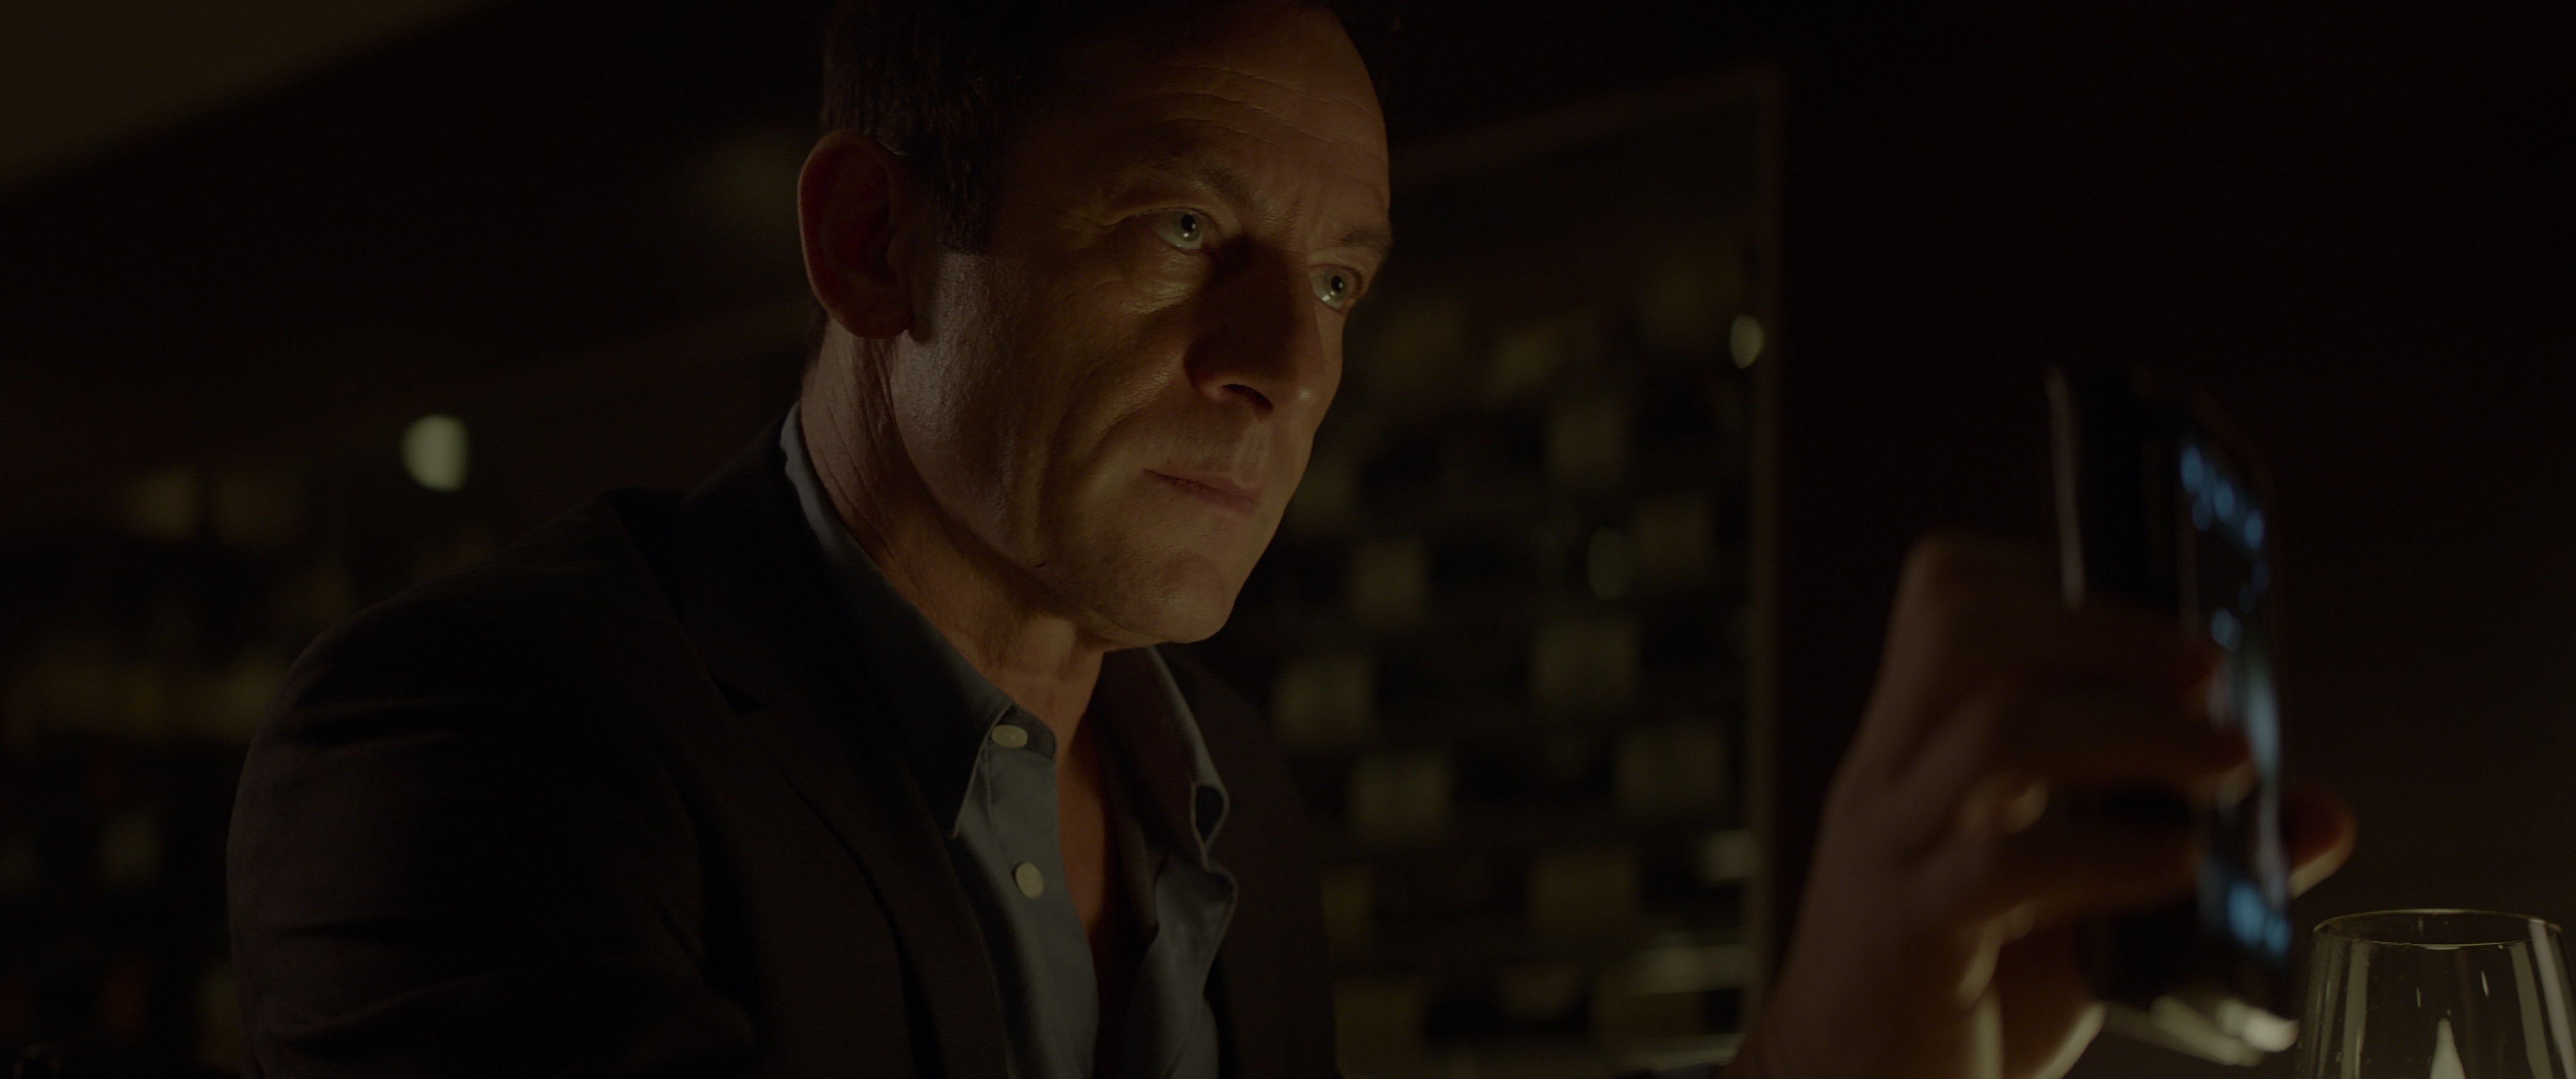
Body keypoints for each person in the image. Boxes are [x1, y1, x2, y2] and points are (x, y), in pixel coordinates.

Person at [225, 1, 2356, 1077]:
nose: (1287, 366)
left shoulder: (1229, 794)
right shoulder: (473, 739)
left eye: (1339, 278)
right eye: (1181, 228)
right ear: (873, 242)